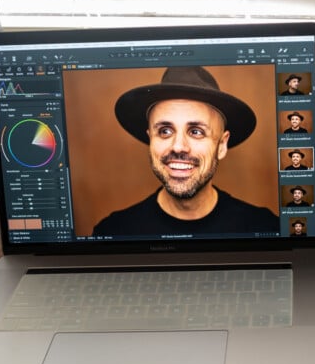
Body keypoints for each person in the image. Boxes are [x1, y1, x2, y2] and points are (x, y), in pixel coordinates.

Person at [92, 66, 279, 237]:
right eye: (165, 131)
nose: (178, 146)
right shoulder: (113, 232)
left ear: (221, 145)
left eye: (196, 132)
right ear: (150, 139)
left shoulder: (264, 228)